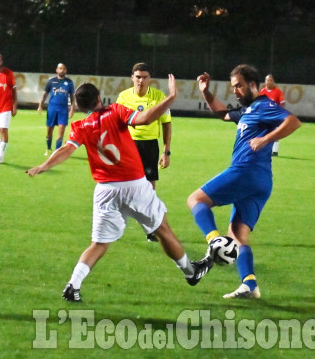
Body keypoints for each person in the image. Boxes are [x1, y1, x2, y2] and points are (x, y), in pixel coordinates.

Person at [27, 75, 213, 302]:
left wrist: (44, 165)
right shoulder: (116, 111)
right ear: (98, 97)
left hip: (105, 190)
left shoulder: (80, 126)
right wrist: (171, 97)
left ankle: (73, 285)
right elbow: (144, 119)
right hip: (134, 186)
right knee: (162, 229)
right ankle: (190, 272)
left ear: (79, 106)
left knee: (99, 244)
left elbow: (67, 149)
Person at [188, 64, 301, 299]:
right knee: (239, 235)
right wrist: (206, 92)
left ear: (252, 84)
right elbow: (223, 113)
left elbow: (293, 121)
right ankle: (249, 284)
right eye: (233, 87)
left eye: (239, 86)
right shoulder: (249, 111)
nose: (236, 91)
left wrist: (265, 139)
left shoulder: (265, 105)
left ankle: (214, 240)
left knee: (196, 199)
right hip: (261, 181)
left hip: (246, 172)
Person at [116, 63, 172, 190]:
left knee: (149, 182)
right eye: (138, 77)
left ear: (150, 78)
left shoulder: (159, 97)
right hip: (128, 144)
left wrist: (166, 152)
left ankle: (149, 209)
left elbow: (166, 123)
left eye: (145, 77)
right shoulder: (123, 97)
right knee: (125, 181)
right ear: (132, 77)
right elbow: (116, 123)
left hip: (149, 145)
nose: (141, 80)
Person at [37, 63, 76, 155]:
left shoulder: (69, 82)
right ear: (57, 70)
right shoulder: (51, 81)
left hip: (63, 109)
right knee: (49, 130)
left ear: (66, 71)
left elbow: (72, 97)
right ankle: (48, 148)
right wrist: (40, 105)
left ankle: (57, 151)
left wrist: (72, 109)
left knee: (61, 130)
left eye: (64, 69)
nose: (62, 70)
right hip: (52, 108)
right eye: (60, 68)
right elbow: (44, 94)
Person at [260, 74, 286, 156]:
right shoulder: (262, 91)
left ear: (273, 82)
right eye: (268, 80)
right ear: (265, 82)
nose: (269, 82)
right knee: (264, 133)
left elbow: (282, 102)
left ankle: (275, 151)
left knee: (275, 133)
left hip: (275, 116)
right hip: (265, 116)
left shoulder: (277, 91)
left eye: (271, 80)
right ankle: (264, 150)